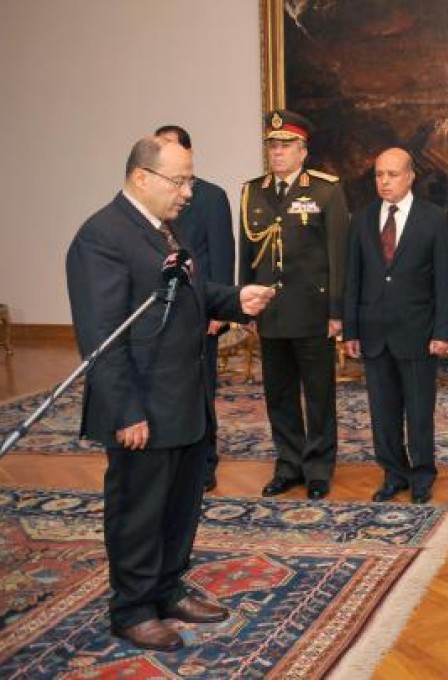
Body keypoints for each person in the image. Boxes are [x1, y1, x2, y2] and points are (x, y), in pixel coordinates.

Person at [65, 136, 276, 652]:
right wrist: (127, 410)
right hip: (142, 408)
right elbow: (103, 336)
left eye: (190, 180)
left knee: (180, 506)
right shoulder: (102, 237)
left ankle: (166, 587)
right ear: (142, 178)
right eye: (179, 181)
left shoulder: (163, 232)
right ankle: (132, 607)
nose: (188, 192)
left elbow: (194, 297)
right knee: (140, 509)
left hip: (183, 400)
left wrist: (234, 301)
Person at [239, 109, 350, 501]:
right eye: (272, 145)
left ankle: (318, 467)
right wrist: (245, 306)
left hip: (313, 313)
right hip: (270, 313)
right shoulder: (253, 191)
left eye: (286, 145)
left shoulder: (325, 190)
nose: (278, 152)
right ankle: (288, 465)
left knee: (318, 394)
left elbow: (339, 256)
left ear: (303, 150)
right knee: (279, 394)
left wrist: (338, 312)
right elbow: (247, 254)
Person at [344, 147, 448, 504]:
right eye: (379, 175)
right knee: (383, 411)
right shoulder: (361, 220)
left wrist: (443, 332)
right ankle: (393, 473)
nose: (384, 182)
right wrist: (351, 330)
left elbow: (445, 281)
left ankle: (422, 475)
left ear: (410, 177)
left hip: (418, 333)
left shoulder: (434, 219)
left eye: (392, 174)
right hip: (374, 332)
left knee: (419, 409)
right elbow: (353, 279)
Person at [154, 124, 235, 493]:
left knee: (202, 391)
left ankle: (205, 463)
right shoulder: (150, 201)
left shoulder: (211, 197)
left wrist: (220, 313)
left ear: (188, 154)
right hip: (159, 316)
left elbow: (221, 254)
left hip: (201, 313)